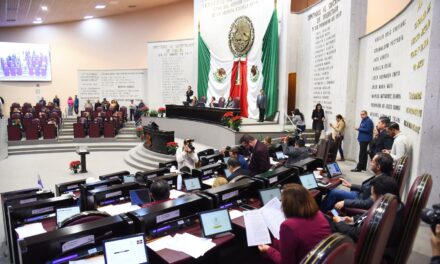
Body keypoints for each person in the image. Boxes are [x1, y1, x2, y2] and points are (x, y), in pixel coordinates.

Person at [331, 176, 403, 262]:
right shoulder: (394, 205)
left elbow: (355, 233)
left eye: (372, 194)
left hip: (356, 245)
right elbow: (368, 215)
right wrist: (353, 219)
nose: (371, 197)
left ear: (382, 197)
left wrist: (339, 222)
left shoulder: (381, 218)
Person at [258, 184, 331, 264]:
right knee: (275, 242)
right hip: (323, 258)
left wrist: (268, 250)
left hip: (307, 260)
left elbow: (285, 262)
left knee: (266, 253)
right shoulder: (319, 214)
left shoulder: (288, 226)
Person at [320, 152, 394, 212]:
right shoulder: (380, 174)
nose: (370, 162)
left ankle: (320, 214)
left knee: (334, 193)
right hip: (360, 194)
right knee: (334, 192)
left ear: (378, 167)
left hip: (360, 199)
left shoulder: (382, 182)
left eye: (372, 161)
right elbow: (367, 188)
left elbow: (368, 203)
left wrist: (345, 202)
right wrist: (351, 185)